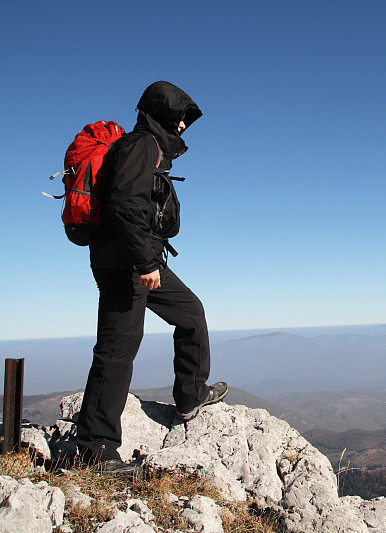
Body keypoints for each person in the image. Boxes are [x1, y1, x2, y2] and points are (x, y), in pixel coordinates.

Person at [74, 81, 228, 467]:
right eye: (178, 117)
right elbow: (126, 205)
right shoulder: (141, 145)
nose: (182, 126)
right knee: (116, 351)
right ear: (159, 113)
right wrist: (144, 263)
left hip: (142, 259)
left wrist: (149, 260)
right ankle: (96, 451)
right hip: (126, 263)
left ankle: (191, 396)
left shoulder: (151, 148)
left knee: (190, 312)